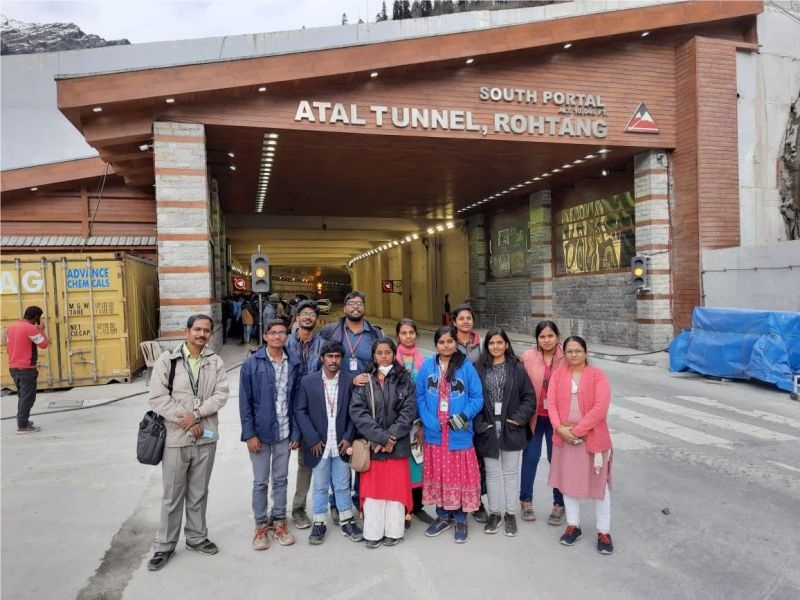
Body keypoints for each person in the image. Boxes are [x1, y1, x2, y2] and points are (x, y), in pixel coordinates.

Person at [147, 314, 229, 571]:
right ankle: (165, 545)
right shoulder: (168, 360)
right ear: (187, 331)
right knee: (172, 495)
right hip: (176, 439)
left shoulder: (215, 362)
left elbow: (221, 394)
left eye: (206, 330)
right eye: (197, 329)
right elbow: (158, 397)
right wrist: (186, 418)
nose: (202, 334)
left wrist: (198, 414)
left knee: (199, 492)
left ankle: (196, 537)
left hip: (205, 437)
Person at [547, 336, 614, 555]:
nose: (574, 354)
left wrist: (576, 432)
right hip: (565, 439)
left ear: (586, 352)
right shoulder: (558, 375)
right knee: (568, 484)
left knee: (599, 487)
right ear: (564, 353)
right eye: (569, 351)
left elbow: (599, 408)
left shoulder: (597, 376)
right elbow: (552, 404)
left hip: (592, 438)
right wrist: (559, 428)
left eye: (578, 350)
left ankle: (603, 531)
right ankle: (573, 525)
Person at [239, 319, 302, 551]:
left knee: (281, 479)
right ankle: (260, 526)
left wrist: (296, 432)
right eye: (273, 333)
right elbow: (245, 402)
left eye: (282, 332)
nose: (277, 336)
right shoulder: (251, 363)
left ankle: (279, 522)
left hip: (285, 432)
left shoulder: (294, 362)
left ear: (287, 336)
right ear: (265, 336)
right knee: (260, 482)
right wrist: (249, 434)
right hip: (260, 434)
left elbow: (298, 401)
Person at [417, 326, 483, 544]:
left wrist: (463, 416)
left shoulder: (466, 367)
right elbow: (419, 396)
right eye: (441, 342)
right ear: (436, 344)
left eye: (450, 341)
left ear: (456, 343)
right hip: (436, 433)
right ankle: (443, 516)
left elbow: (477, 397)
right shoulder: (428, 366)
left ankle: (461, 519)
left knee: (460, 476)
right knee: (439, 475)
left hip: (458, 432)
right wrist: (428, 419)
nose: (446, 345)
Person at [294, 340, 363, 545]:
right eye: (330, 356)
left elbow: (354, 412)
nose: (334, 360)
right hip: (319, 445)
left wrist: (348, 437)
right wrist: (312, 438)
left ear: (342, 359)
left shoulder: (349, 381)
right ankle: (319, 522)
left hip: (341, 444)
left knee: (342, 485)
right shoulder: (308, 382)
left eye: (337, 357)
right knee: (320, 486)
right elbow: (300, 411)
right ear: (322, 358)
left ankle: (347, 521)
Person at [350, 338, 417, 548]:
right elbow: (358, 412)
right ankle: (372, 532)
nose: (384, 356)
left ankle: (394, 531)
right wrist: (381, 437)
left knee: (395, 490)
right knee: (374, 492)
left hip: (397, 445)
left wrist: (391, 437)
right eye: (379, 353)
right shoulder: (365, 380)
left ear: (394, 354)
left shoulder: (405, 380)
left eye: (387, 352)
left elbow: (409, 412)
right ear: (374, 356)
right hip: (374, 446)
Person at [473, 329, 536, 537]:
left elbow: (529, 398)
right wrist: (480, 424)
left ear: (506, 345)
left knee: (510, 472)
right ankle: (495, 514)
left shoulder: (517, 367)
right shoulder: (479, 368)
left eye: (500, 342)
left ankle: (510, 514)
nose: (496, 346)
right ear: (487, 346)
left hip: (511, 427)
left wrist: (518, 419)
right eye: (492, 343)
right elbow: (472, 398)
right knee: (492, 473)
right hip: (488, 428)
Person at [284, 299, 325, 529]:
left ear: (316, 319)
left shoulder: (323, 345)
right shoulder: (285, 342)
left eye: (312, 314)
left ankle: (299, 508)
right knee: (278, 465)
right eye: (304, 313)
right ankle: (276, 512)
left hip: (312, 410)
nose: (308, 317)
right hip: (285, 408)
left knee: (306, 462)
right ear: (297, 317)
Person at [519, 320, 566, 525]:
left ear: (558, 337)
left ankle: (559, 503)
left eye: (550, 336)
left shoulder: (567, 357)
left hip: (559, 420)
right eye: (542, 337)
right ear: (537, 339)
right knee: (530, 458)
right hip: (534, 417)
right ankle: (526, 500)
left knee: (558, 461)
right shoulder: (528, 357)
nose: (547, 340)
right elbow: (520, 386)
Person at [395, 318, 433, 525]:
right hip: (397, 422)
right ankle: (403, 508)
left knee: (418, 464)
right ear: (397, 336)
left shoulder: (426, 362)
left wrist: (424, 424)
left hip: (419, 421)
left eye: (411, 332)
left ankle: (417, 506)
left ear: (417, 335)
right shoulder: (391, 360)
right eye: (404, 333)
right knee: (401, 466)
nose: (408, 336)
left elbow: (430, 394)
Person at [451, 303, 486, 522]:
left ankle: (477, 501)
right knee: (457, 457)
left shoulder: (480, 343)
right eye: (461, 318)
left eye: (469, 318)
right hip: (456, 406)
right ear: (454, 322)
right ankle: (456, 500)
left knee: (478, 457)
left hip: (477, 403)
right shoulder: (449, 342)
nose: (465, 322)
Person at [319, 291, 382, 377]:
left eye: (359, 304)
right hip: (338, 383)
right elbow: (319, 360)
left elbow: (382, 363)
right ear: (344, 309)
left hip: (367, 383)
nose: (355, 307)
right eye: (351, 304)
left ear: (364, 309)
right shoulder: (329, 331)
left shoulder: (375, 333)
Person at [6, 306, 49, 433]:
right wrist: (41, 330)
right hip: (26, 369)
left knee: (23, 397)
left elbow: (8, 347)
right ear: (36, 317)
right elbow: (44, 344)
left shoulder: (11, 328)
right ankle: (23, 425)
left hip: (13, 367)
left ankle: (23, 420)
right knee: (28, 398)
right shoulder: (31, 328)